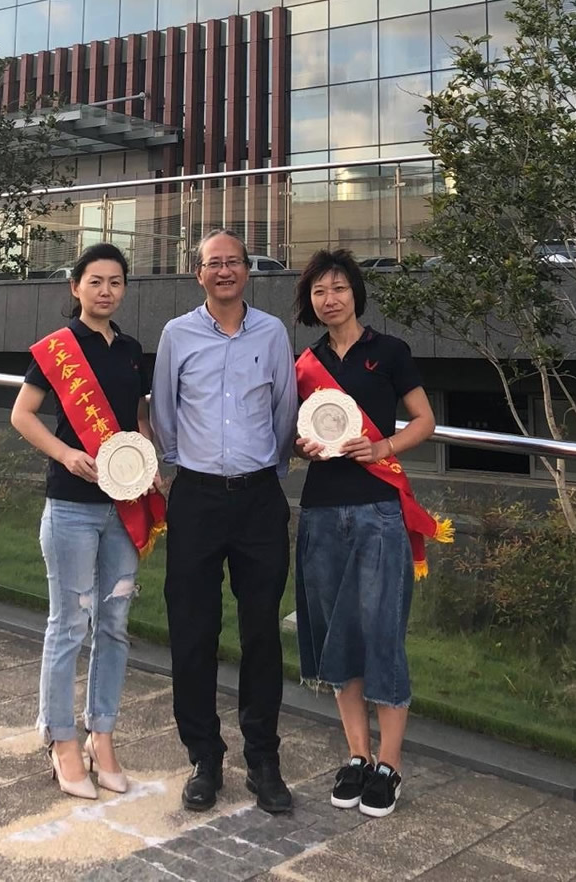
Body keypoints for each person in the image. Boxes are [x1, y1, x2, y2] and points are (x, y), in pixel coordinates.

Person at [149, 228, 298, 815]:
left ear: (247, 270)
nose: (225, 271)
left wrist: (270, 469)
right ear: (199, 273)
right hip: (197, 499)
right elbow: (165, 411)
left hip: (259, 498)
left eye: (233, 261)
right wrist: (181, 465)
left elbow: (285, 409)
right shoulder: (177, 334)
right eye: (214, 263)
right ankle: (204, 757)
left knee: (261, 631)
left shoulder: (272, 332)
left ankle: (263, 759)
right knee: (193, 631)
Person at [293, 249, 439, 819]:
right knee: (337, 633)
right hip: (321, 510)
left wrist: (383, 447)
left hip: (379, 509)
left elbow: (425, 420)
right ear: (309, 302)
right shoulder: (304, 364)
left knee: (382, 632)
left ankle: (389, 764)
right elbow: (293, 434)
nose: (329, 299)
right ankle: (357, 755)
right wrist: (302, 446)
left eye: (338, 288)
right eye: (319, 291)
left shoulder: (390, 351)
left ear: (355, 292)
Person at [10, 242, 157, 801]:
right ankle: (62, 738)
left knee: (114, 624)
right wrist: (66, 454)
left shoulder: (133, 350)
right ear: (76, 287)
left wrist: (149, 462)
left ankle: (103, 733)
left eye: (115, 281)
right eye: (95, 281)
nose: (105, 290)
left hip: (123, 506)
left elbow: (137, 418)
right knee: (70, 624)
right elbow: (22, 415)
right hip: (72, 504)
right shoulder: (59, 349)